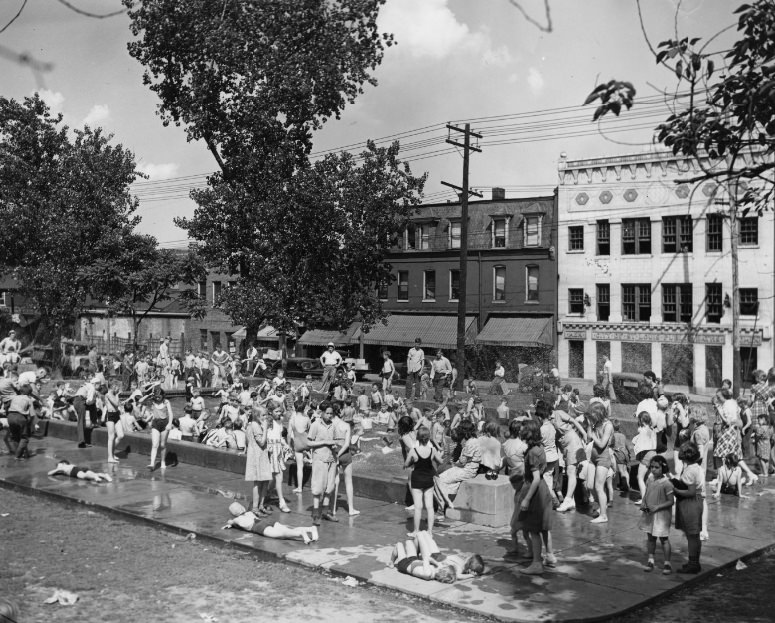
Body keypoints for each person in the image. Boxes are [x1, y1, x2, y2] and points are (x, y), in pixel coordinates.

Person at [514, 419, 556, 574]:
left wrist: (526, 499)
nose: (520, 430)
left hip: (535, 492)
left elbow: (536, 478)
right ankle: (550, 555)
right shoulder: (540, 447)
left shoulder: (532, 452)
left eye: (523, 428)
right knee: (544, 527)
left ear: (528, 432)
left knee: (533, 530)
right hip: (543, 489)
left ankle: (537, 563)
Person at [388, 531, 484, 583]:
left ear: (441, 571)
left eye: (443, 567)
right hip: (417, 561)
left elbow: (426, 558)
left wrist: (471, 575)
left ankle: (391, 561)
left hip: (405, 564)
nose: (443, 565)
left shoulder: (428, 574)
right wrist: (438, 564)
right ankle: (415, 542)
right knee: (409, 541)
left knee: (400, 544)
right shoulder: (435, 570)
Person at [672, 441, 705, 574]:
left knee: (691, 535)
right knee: (694, 535)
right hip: (696, 502)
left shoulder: (690, 471)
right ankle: (694, 562)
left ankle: (693, 563)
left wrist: (675, 490)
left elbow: (690, 491)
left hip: (690, 503)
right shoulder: (696, 467)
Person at [639, 455, 674, 574]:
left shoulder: (667, 483)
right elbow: (647, 492)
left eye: (657, 467)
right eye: (651, 467)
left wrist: (657, 507)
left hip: (662, 517)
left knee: (664, 539)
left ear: (663, 468)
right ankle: (650, 560)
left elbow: (671, 501)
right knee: (650, 538)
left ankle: (667, 563)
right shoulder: (650, 479)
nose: (653, 469)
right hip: (650, 514)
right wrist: (644, 502)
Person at [307, 402, 340, 525]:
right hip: (319, 459)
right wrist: (324, 442)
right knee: (318, 487)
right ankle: (316, 514)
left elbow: (335, 440)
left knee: (329, 487)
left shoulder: (333, 425)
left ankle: (325, 512)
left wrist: (335, 445)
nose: (330, 415)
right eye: (327, 413)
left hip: (331, 459)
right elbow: (309, 443)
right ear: (321, 413)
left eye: (331, 413)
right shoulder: (315, 425)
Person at [405, 425, 442, 536]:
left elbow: (406, 464)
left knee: (418, 507)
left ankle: (416, 531)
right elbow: (439, 461)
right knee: (430, 507)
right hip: (428, 480)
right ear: (429, 438)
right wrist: (442, 453)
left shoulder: (413, 450)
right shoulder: (432, 450)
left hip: (417, 480)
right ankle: (430, 532)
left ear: (418, 438)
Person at [222, 502, 318, 544]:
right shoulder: (249, 513)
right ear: (242, 508)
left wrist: (230, 523)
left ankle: (302, 534)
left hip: (259, 527)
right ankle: (310, 529)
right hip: (266, 521)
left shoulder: (237, 519)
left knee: (282, 534)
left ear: (233, 513)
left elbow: (230, 521)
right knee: (287, 529)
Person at [435, 420, 481, 508]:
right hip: (464, 468)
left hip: (467, 470)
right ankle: (446, 505)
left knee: (439, 480)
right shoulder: (472, 440)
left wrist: (455, 463)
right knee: (450, 483)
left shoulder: (471, 443)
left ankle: (441, 508)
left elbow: (462, 461)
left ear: (464, 431)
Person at [587, 402, 614, 524]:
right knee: (590, 486)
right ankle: (601, 505)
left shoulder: (608, 425)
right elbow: (588, 437)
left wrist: (593, 434)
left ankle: (603, 515)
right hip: (593, 457)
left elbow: (602, 444)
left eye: (593, 415)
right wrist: (589, 425)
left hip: (603, 458)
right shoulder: (596, 423)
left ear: (599, 413)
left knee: (599, 486)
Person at [245, 407, 272, 515]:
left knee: (265, 480)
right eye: (263, 416)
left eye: (266, 415)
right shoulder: (255, 426)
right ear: (256, 416)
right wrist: (265, 429)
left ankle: (261, 504)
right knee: (257, 481)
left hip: (262, 455)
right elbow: (261, 442)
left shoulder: (255, 424)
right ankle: (255, 507)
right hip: (257, 456)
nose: (265, 418)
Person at [333, 406, 359, 516]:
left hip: (334, 452)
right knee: (349, 481)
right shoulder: (346, 425)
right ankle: (351, 509)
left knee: (335, 482)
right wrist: (341, 454)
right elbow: (347, 443)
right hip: (345, 453)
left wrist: (336, 455)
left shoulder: (330, 424)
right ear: (340, 411)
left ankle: (333, 509)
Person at [143, 387, 174, 470]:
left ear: (162, 395)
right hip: (155, 424)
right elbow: (140, 401)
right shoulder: (152, 401)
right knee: (154, 444)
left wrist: (170, 423)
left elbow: (170, 413)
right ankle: (152, 464)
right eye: (156, 396)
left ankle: (163, 461)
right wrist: (148, 395)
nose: (157, 398)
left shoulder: (166, 402)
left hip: (164, 423)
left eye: (159, 396)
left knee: (163, 445)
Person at [4, 386, 36, 460]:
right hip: (20, 417)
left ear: (20, 391)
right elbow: (32, 415)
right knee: (24, 438)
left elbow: (6, 406)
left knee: (15, 437)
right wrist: (30, 424)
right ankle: (17, 456)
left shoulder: (14, 397)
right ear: (30, 393)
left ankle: (18, 454)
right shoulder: (28, 399)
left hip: (10, 416)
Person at [289, 402, 311, 493]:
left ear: (295, 408)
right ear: (304, 409)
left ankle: (299, 487)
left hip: (297, 442)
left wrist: (289, 445)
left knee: (299, 467)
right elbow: (310, 429)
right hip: (306, 441)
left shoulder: (292, 419)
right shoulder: (307, 418)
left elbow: (288, 434)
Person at [104, 382, 123, 463]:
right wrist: (118, 394)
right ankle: (110, 457)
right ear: (112, 387)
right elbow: (116, 404)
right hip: (110, 415)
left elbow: (118, 405)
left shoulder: (114, 395)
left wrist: (117, 395)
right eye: (116, 386)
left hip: (116, 415)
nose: (117, 388)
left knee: (121, 435)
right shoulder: (107, 395)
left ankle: (112, 452)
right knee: (111, 436)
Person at [48, 460, 113, 483]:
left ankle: (95, 477)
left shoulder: (62, 466)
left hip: (74, 470)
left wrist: (58, 469)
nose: (57, 467)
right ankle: (105, 475)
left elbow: (49, 473)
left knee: (84, 476)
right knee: (92, 473)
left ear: (64, 463)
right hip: (79, 468)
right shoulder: (68, 465)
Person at [752, 413, 774, 477]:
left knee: (761, 459)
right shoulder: (770, 427)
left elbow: (757, 436)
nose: (758, 421)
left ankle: (764, 473)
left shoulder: (760, 428)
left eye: (759, 420)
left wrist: (754, 438)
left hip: (761, 444)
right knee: (766, 459)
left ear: (764, 420)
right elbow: (772, 437)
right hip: (768, 444)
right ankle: (766, 472)